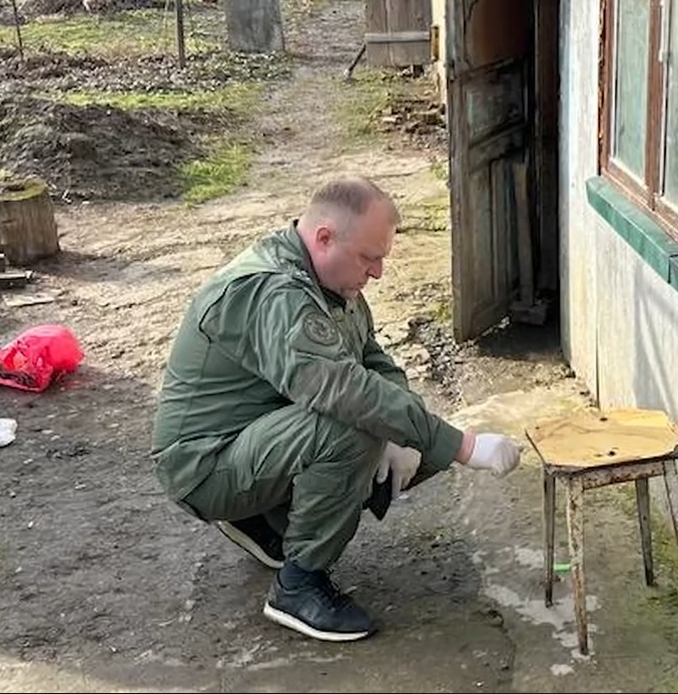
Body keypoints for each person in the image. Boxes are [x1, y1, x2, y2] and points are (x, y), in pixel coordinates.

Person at [150, 175, 523, 643]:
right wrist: (462, 446)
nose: (378, 273)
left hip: (251, 438)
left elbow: (375, 361)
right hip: (205, 465)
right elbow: (345, 392)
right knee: (355, 429)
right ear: (324, 237)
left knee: (399, 424)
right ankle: (298, 584)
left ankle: (263, 519)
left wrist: (405, 434)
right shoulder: (275, 293)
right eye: (370, 257)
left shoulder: (330, 284)